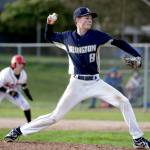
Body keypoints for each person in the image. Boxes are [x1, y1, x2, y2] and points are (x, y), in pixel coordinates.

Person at [4, 7, 150, 149]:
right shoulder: (67, 37)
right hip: (76, 84)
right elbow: (48, 37)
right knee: (55, 116)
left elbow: (119, 42)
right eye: (86, 17)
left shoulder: (96, 36)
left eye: (91, 18)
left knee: (124, 101)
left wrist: (136, 55)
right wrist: (49, 24)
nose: (90, 20)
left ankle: (137, 139)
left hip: (96, 82)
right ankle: (19, 130)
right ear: (77, 20)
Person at [0, 54, 33, 123]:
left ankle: (29, 124)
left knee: (26, 105)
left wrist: (28, 94)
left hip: (12, 91)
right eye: (20, 64)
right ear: (14, 64)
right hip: (1, 90)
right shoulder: (5, 73)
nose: (22, 65)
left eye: (23, 64)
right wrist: (8, 91)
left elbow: (24, 85)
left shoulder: (23, 74)